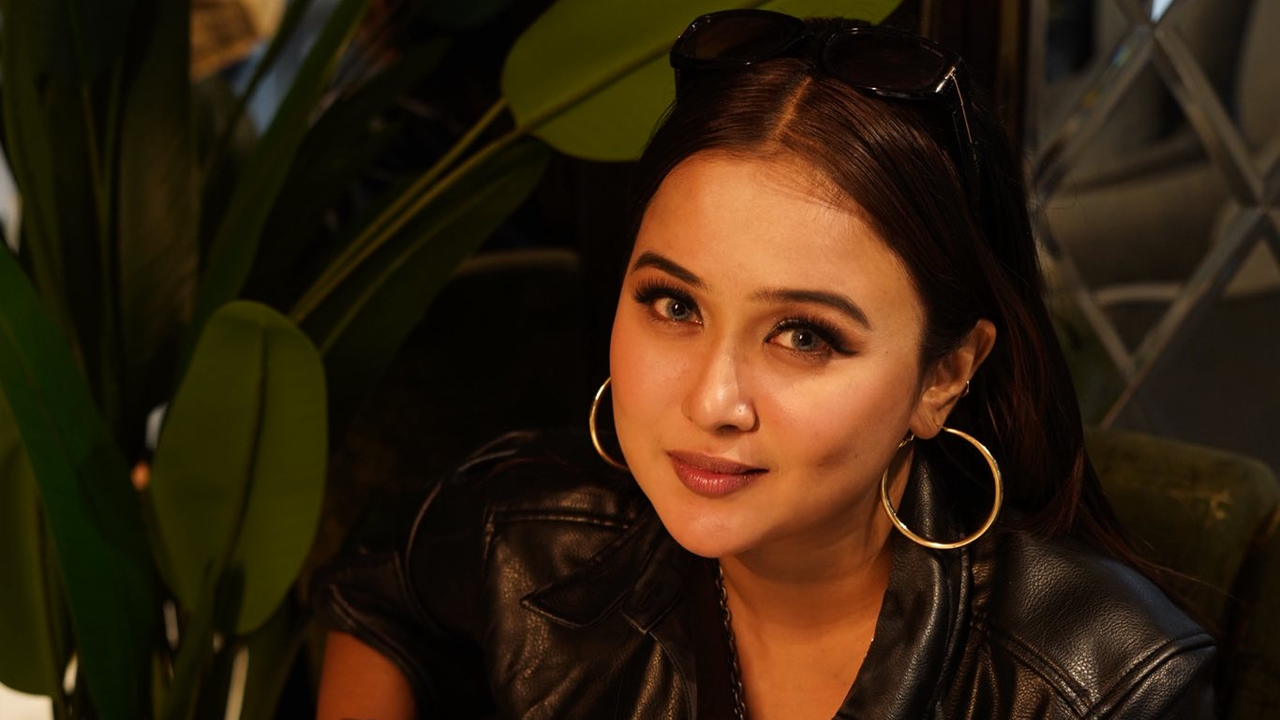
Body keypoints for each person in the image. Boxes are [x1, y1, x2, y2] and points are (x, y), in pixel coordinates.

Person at [313, 11, 1216, 720]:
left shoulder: (1100, 686)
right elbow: (384, 601)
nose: (713, 400)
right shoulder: (535, 534)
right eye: (675, 306)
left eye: (804, 336)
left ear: (943, 375)